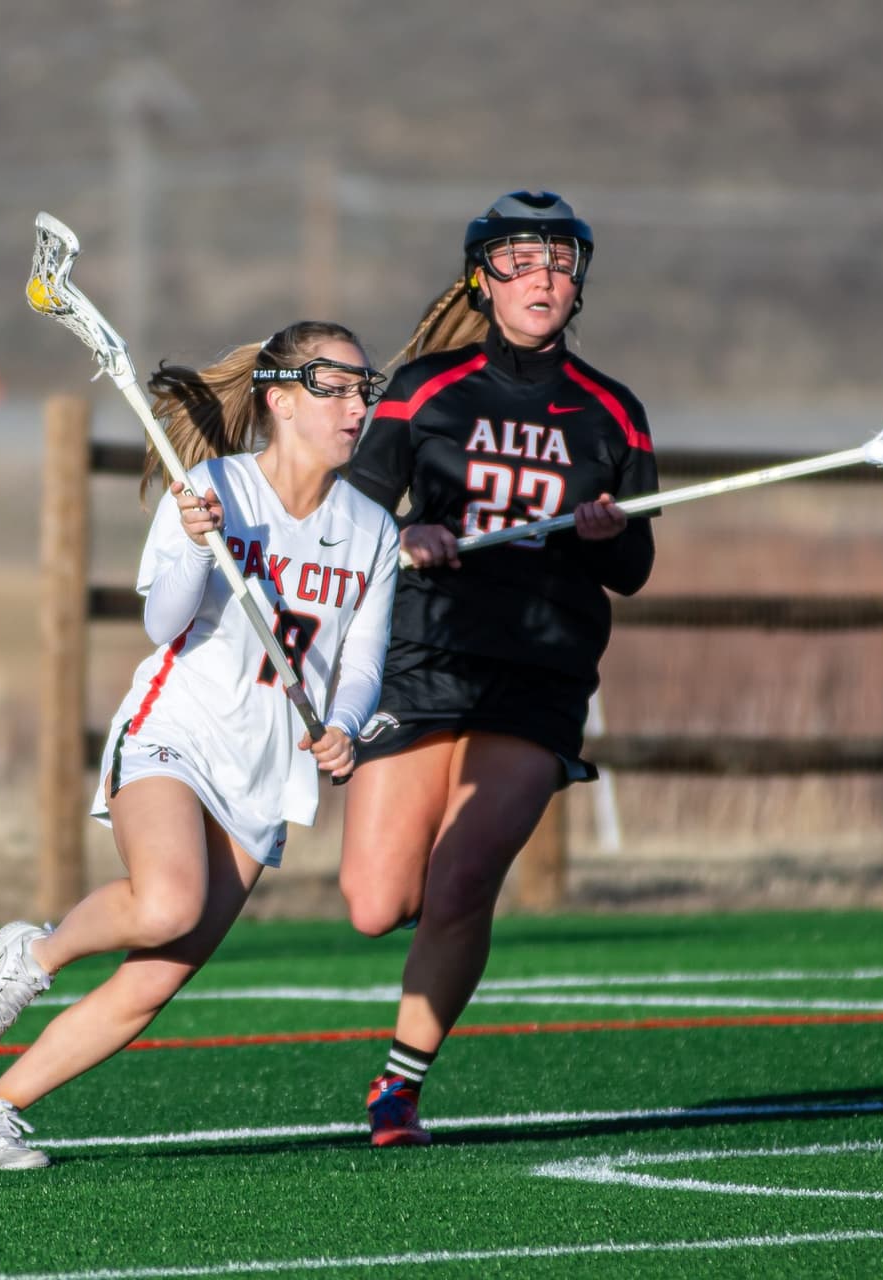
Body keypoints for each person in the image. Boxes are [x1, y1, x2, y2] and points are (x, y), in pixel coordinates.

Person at [0, 321, 401, 1170]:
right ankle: (30, 956)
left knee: (156, 976)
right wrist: (195, 543)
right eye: (334, 387)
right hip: (176, 734)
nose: (356, 405)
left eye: (363, 388)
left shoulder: (372, 527)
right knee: (166, 903)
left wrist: (344, 726)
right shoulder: (215, 488)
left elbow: (363, 664)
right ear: (281, 400)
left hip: (266, 775)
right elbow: (162, 622)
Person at [340, 191, 658, 1146]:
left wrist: (604, 537)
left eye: (561, 263)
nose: (543, 279)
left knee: (464, 880)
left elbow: (635, 571)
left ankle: (399, 1086)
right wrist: (409, 534)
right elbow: (348, 520)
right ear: (483, 278)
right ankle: (411, 1009)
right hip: (424, 656)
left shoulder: (614, 413)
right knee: (375, 904)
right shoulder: (424, 388)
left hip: (539, 672)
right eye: (521, 261)